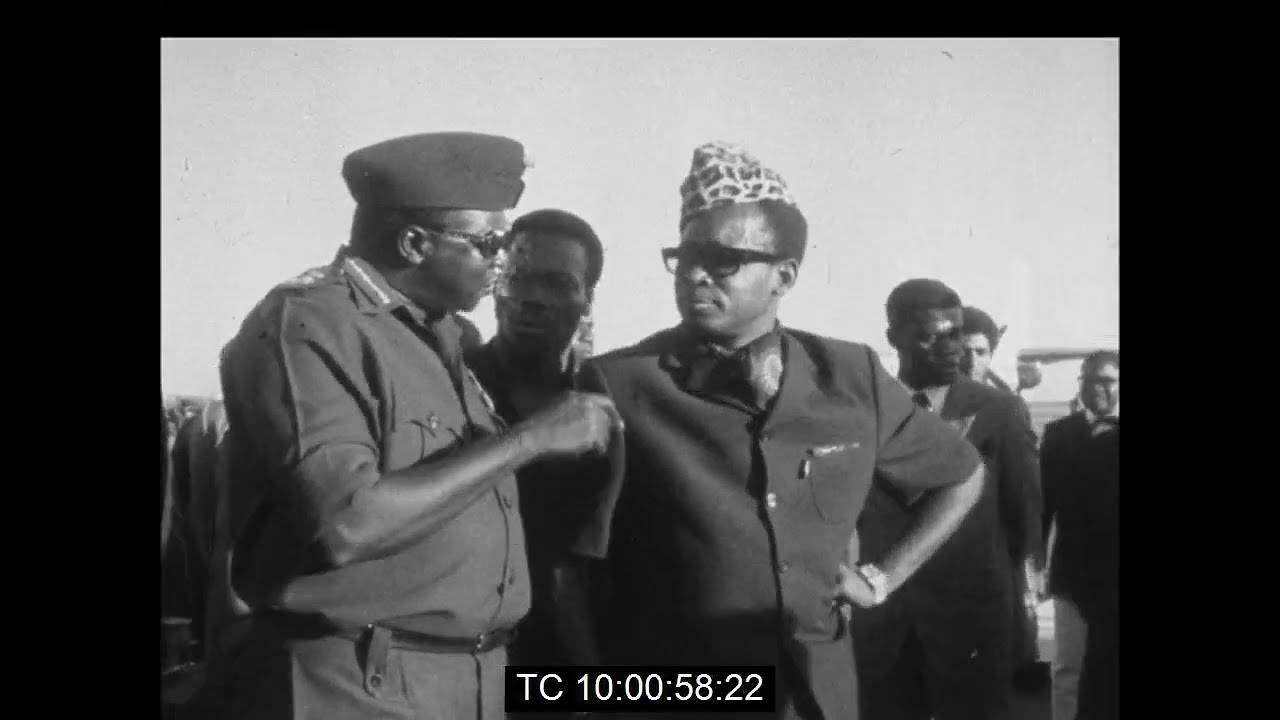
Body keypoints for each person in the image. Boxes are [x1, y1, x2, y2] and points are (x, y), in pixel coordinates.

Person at [555, 141, 986, 720]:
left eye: (722, 261)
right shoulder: (622, 384)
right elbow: (571, 566)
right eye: (683, 257)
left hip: (818, 691)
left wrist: (880, 579)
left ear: (784, 276)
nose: (695, 275)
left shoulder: (851, 375)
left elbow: (961, 475)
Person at [204, 132, 620, 720]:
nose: (505, 265)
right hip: (358, 687)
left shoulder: (444, 335)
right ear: (414, 242)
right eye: (490, 242)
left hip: (464, 683)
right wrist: (527, 440)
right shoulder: (310, 326)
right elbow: (345, 522)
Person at [851, 279, 1043, 720]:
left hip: (972, 624)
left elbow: (1023, 520)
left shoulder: (1000, 411)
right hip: (885, 626)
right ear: (893, 338)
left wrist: (1018, 618)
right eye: (929, 336)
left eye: (954, 333)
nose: (949, 347)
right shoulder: (866, 411)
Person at [464, 208, 606, 676]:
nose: (532, 299)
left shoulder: (608, 400)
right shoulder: (450, 386)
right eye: (517, 278)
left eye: (558, 284)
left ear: (587, 300)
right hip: (462, 668)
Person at [1040, 350, 1119, 720]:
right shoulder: (1059, 435)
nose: (1096, 388)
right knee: (1068, 668)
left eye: (1106, 380)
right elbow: (1044, 507)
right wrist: (1034, 566)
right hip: (1072, 575)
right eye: (1087, 380)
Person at [960, 305, 1014, 394]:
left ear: (991, 356)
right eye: (963, 352)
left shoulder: (1004, 404)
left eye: (980, 353)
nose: (972, 362)